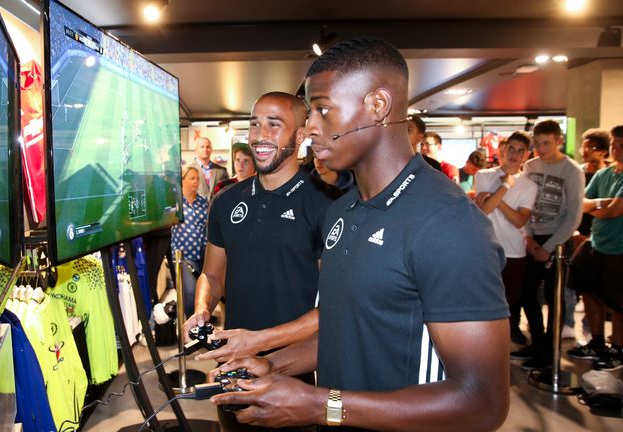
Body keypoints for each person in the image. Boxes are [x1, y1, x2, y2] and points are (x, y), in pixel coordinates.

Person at [211, 37, 510, 431]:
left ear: (378, 106)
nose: (310, 129)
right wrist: (272, 364)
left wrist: (320, 405)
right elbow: (345, 333)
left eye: (322, 110)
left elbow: (482, 402)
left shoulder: (447, 223)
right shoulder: (341, 211)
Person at [184, 91, 339, 431]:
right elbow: (212, 273)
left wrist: (260, 341)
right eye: (254, 124)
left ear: (300, 136)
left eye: (274, 124)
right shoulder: (225, 201)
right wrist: (202, 307)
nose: (259, 135)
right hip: (235, 368)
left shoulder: (325, 205)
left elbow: (335, 307)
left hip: (300, 374)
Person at [510, 120, 584, 370]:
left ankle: (550, 351)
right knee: (526, 293)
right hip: (532, 237)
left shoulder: (572, 171)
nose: (541, 148)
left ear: (558, 141)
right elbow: (524, 204)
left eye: (546, 143)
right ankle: (539, 343)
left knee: (555, 297)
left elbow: (574, 214)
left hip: (559, 240)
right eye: (537, 143)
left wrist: (550, 246)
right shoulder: (530, 166)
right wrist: (529, 237)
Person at [568, 125, 623, 371]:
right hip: (596, 242)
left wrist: (599, 208)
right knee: (589, 291)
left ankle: (618, 349)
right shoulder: (603, 175)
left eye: (622, 145)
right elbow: (582, 203)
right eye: (614, 145)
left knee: (618, 301)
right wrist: (602, 204)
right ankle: (597, 342)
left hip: (619, 248)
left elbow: (614, 212)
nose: (617, 150)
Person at [474, 132, 537, 345]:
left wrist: (496, 197)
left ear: (526, 155)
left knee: (509, 303)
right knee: (484, 299)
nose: (515, 154)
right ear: (504, 149)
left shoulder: (529, 185)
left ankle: (503, 347)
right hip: (485, 249)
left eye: (520, 151)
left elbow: (519, 220)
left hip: (514, 251)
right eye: (512, 149)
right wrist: (504, 188)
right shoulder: (484, 175)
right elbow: (483, 212)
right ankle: (485, 345)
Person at [170, 166, 209, 316]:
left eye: (198, 178)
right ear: (183, 180)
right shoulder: (175, 203)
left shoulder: (203, 202)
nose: (196, 181)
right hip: (183, 257)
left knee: (202, 293)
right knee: (190, 292)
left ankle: (200, 323)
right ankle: (191, 326)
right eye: (192, 178)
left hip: (202, 256)